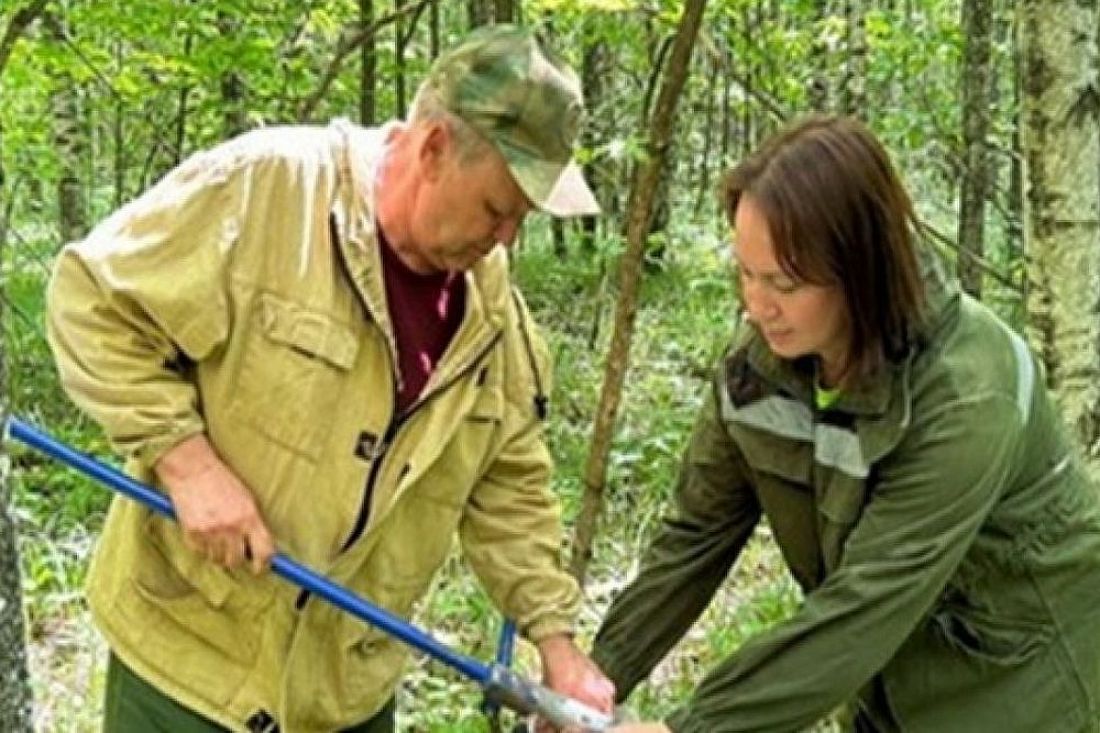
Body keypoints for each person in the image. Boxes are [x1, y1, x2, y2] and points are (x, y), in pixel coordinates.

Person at [46, 25, 614, 733]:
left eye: (521, 219)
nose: (505, 240)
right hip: (191, 667)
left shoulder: (492, 315)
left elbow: (510, 481)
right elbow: (91, 301)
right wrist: (186, 463)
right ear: (434, 148)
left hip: (344, 692)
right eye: (497, 209)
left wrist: (557, 643)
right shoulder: (267, 190)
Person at [591, 115, 1100, 732]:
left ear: (859, 271)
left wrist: (689, 729)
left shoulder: (967, 394)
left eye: (783, 283)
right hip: (890, 684)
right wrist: (597, 679)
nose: (757, 305)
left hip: (1026, 691)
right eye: (745, 272)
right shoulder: (762, 368)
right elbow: (696, 536)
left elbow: (863, 608)